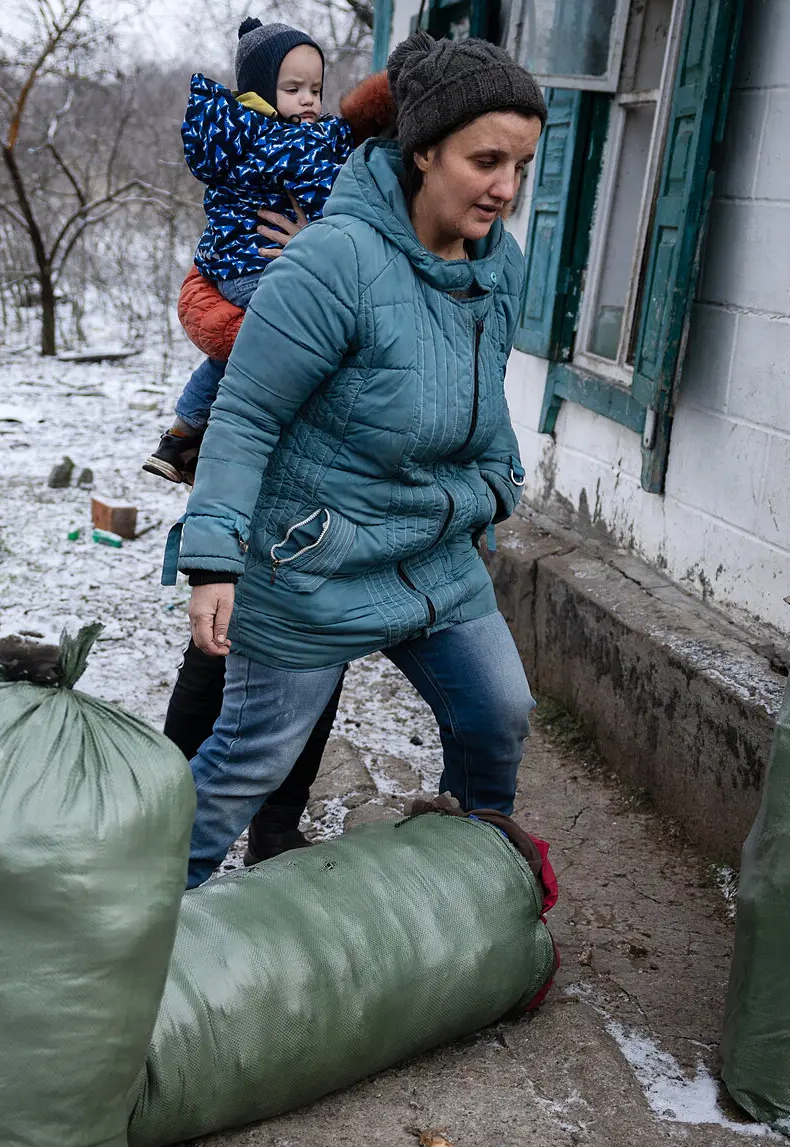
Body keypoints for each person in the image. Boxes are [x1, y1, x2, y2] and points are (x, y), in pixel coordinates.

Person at [169, 33, 547, 890]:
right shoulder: (332, 261)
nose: (505, 188)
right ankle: (134, 921)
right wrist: (214, 559)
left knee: (498, 713)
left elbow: (480, 390)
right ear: (423, 151)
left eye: (520, 166)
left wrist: (494, 485)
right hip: (314, 558)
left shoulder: (502, 267)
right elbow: (246, 414)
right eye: (486, 161)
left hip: (431, 548)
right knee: (250, 759)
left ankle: (476, 886)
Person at [142, 17, 351, 485]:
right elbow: (333, 196)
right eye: (293, 89)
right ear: (260, 91)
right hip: (254, 265)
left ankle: (183, 437)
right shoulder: (275, 139)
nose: (309, 100)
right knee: (304, 330)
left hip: (234, 265)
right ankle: (215, 435)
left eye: (316, 89)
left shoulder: (245, 132)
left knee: (240, 352)